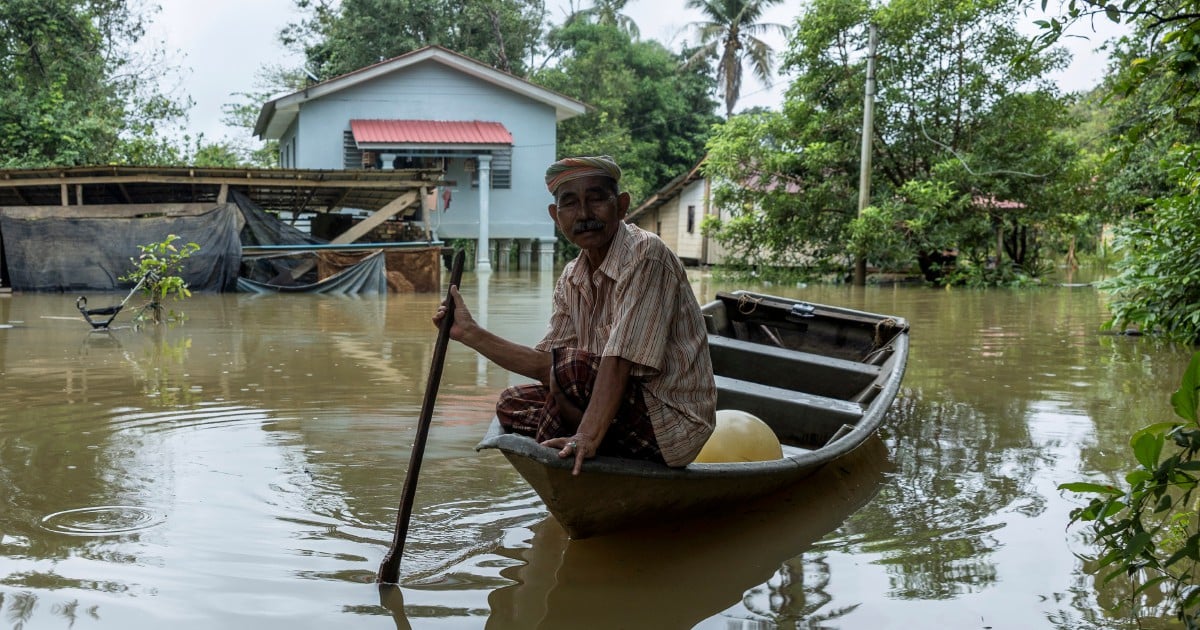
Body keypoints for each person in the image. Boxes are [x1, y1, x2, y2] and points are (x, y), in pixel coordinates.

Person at [433, 155, 716, 475]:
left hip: (671, 423)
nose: (584, 214)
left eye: (596, 199)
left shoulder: (645, 255)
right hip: (617, 411)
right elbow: (547, 366)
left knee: (570, 370)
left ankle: (577, 455)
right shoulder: (572, 276)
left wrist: (585, 436)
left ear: (621, 206)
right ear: (556, 216)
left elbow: (616, 361)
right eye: (570, 203)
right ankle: (578, 459)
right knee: (511, 403)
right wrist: (471, 334)